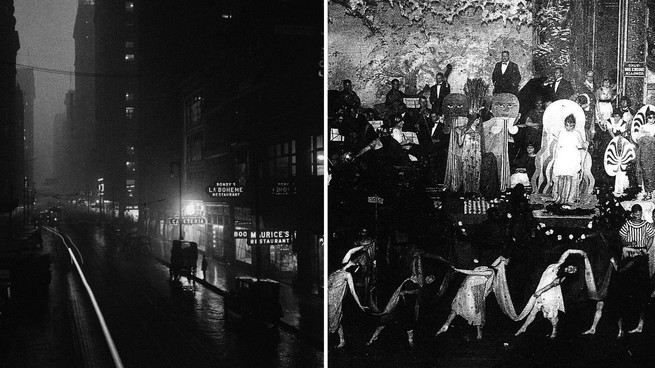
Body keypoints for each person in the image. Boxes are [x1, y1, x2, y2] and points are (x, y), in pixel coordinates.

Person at [515, 250, 586, 339]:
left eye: (574, 271)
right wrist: (579, 252)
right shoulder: (558, 264)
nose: (572, 269)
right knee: (533, 311)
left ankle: (554, 330)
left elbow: (551, 285)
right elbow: (567, 252)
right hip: (541, 290)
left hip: (549, 294)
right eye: (573, 267)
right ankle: (523, 328)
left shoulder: (562, 277)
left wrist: (540, 291)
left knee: (551, 315)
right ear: (570, 264)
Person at [436, 257, 507, 340]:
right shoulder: (486, 268)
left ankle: (478, 333)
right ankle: (446, 324)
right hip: (467, 290)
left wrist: (458, 270)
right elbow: (496, 261)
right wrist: (503, 259)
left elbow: (472, 272)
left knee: (474, 311)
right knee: (459, 308)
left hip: (473, 293)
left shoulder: (489, 272)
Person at [617, 204, 655, 335]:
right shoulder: (627, 224)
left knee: (642, 287)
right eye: (636, 214)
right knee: (628, 285)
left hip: (641, 254)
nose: (638, 216)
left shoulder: (645, 225)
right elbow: (622, 239)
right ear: (632, 214)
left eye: (640, 214)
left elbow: (651, 236)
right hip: (630, 253)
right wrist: (629, 244)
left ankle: (641, 322)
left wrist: (645, 248)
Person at [328, 260, 367, 348]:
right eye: (351, 262)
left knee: (332, 325)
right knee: (336, 321)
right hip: (328, 301)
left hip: (335, 303)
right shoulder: (335, 272)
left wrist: (360, 305)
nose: (351, 262)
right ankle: (342, 340)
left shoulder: (347, 275)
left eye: (354, 264)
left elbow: (353, 292)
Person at [552, 114, 588, 206]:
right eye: (567, 125)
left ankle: (567, 198)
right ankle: (559, 197)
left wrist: (585, 143)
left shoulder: (577, 134)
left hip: (572, 157)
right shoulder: (561, 132)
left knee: (569, 177)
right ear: (565, 124)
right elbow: (558, 146)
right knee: (561, 177)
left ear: (574, 125)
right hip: (562, 156)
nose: (569, 127)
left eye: (571, 125)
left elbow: (581, 145)